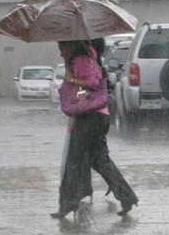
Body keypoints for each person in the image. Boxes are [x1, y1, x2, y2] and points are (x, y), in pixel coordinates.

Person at [51, 40, 138, 218]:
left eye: (63, 48)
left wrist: (72, 79)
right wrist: (70, 74)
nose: (61, 53)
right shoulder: (82, 59)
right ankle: (127, 196)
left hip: (90, 117)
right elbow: (85, 90)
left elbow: (92, 83)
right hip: (97, 116)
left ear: (72, 46)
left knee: (73, 160)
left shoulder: (82, 60)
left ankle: (68, 203)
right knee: (100, 160)